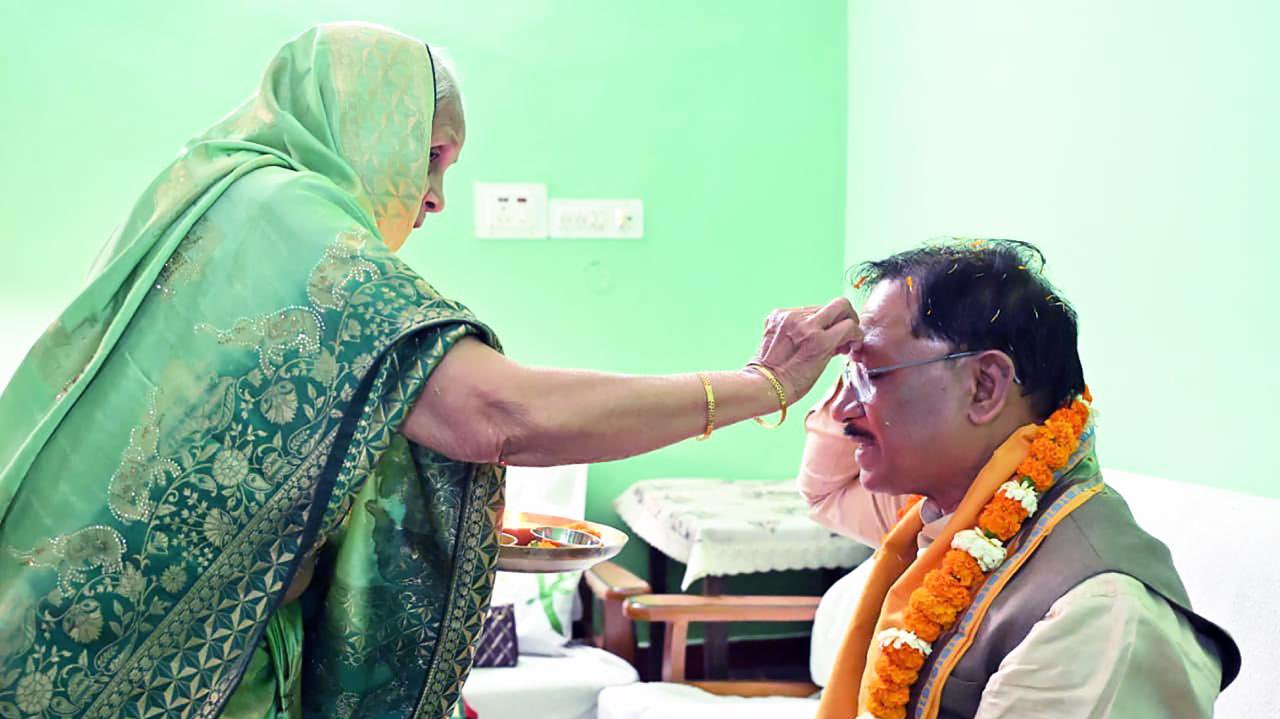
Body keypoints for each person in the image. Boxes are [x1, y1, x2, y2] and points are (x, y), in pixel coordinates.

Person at [0, 24, 860, 719]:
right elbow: (496, 414)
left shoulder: (224, 197)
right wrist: (763, 386)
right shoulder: (280, 211)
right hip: (125, 654)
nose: (438, 195)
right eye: (434, 155)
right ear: (370, 127)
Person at [799, 239, 1240, 719]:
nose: (842, 409)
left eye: (871, 375)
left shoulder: (1099, 612)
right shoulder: (945, 510)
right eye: (850, 375)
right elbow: (825, 490)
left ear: (984, 386)